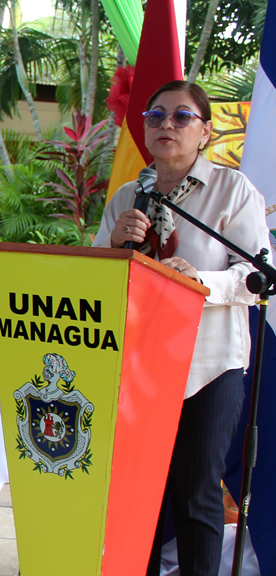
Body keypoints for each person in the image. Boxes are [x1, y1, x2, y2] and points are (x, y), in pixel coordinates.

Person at [93, 81, 269, 576]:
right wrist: (114, 249)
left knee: (195, 491)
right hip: (138, 368)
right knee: (139, 494)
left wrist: (200, 281)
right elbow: (101, 284)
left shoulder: (234, 191)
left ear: (206, 130)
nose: (166, 124)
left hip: (208, 365)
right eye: (155, 116)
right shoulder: (130, 193)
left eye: (181, 117)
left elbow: (256, 278)